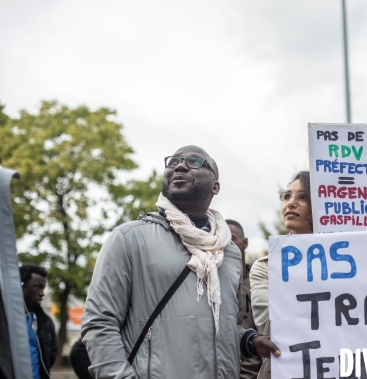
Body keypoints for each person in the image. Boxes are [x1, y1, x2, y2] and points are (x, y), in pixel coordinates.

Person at [82, 145, 279, 379]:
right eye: (173, 161)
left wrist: (248, 340)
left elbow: (222, 327)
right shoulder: (129, 239)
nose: (181, 165)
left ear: (215, 186)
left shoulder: (230, 253)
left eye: (195, 161)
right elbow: (100, 322)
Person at [250, 171, 313, 379]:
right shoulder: (264, 268)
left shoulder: (351, 262)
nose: (291, 203)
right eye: (286, 196)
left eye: (302, 197)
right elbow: (270, 324)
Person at [226, 219, 262, 379]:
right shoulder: (211, 285)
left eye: (231, 237)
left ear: (245, 242)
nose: (225, 242)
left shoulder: (261, 283)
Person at [19, 264, 56, 379]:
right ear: (20, 285)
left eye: (43, 288)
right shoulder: (5, 319)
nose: (42, 293)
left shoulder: (45, 322)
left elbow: (51, 354)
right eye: (37, 287)